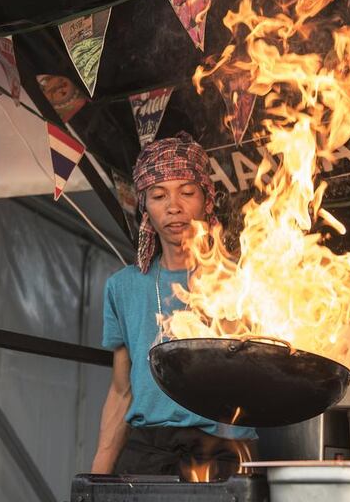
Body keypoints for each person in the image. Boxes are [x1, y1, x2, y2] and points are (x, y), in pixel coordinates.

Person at [91, 131, 256, 478]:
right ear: (145, 207)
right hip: (146, 452)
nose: (174, 206)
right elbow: (122, 391)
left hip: (221, 451)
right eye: (158, 195)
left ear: (206, 199)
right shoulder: (123, 287)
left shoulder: (240, 281)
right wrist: (95, 478)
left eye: (187, 191)